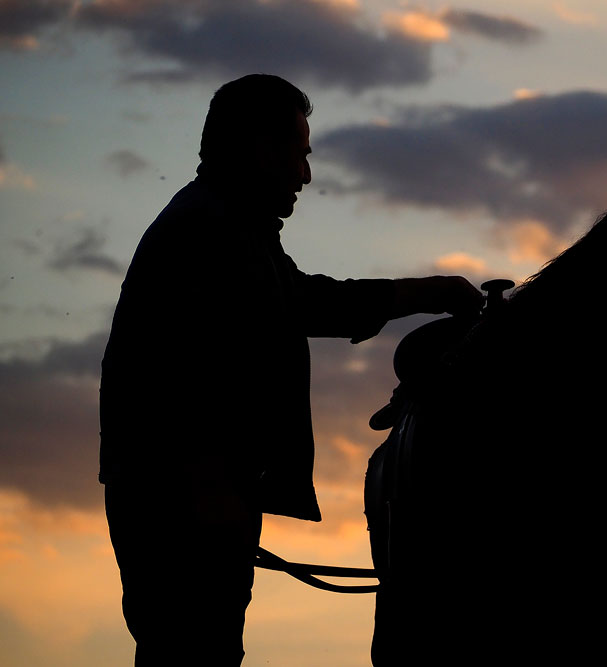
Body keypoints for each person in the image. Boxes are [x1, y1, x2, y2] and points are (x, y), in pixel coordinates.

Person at [99, 74, 483, 665]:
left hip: (188, 501)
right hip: (193, 506)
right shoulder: (214, 231)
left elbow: (298, 300)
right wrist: (426, 292)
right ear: (260, 148)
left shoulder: (219, 223)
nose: (305, 176)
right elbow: (303, 305)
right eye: (299, 156)